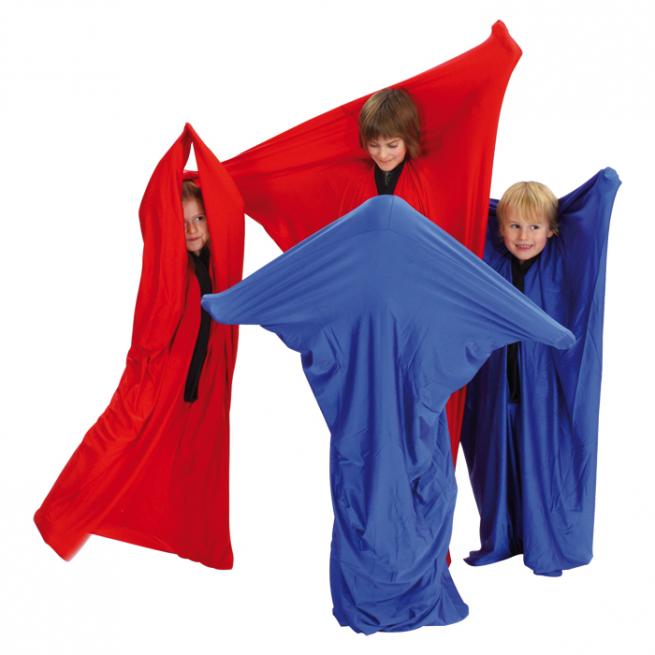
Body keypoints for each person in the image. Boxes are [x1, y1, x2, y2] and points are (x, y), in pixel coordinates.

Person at [460, 169, 621, 577]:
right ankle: (502, 538)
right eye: (514, 225)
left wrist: (602, 188)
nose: (524, 236)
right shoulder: (488, 259)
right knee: (496, 465)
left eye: (534, 227)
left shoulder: (560, 265)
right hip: (494, 388)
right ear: (499, 229)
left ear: (552, 230)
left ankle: (544, 542)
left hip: (543, 390)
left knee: (542, 465)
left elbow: (589, 232)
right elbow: (460, 212)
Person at [358, 87, 420, 195]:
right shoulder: (361, 177)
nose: (383, 155)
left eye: (392, 145)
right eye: (373, 145)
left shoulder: (420, 178)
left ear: (408, 139)